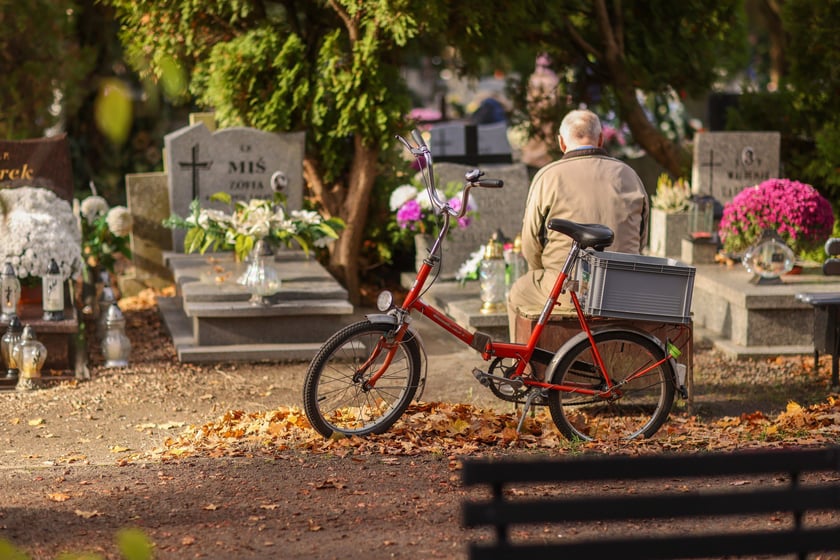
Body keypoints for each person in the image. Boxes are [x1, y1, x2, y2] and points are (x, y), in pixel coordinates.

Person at [507, 108, 649, 342]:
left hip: (567, 288)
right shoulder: (629, 174)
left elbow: (531, 244)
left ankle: (522, 369)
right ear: (601, 139)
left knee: (518, 292)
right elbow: (641, 239)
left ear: (561, 143)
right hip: (623, 287)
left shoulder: (548, 176)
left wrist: (541, 274)